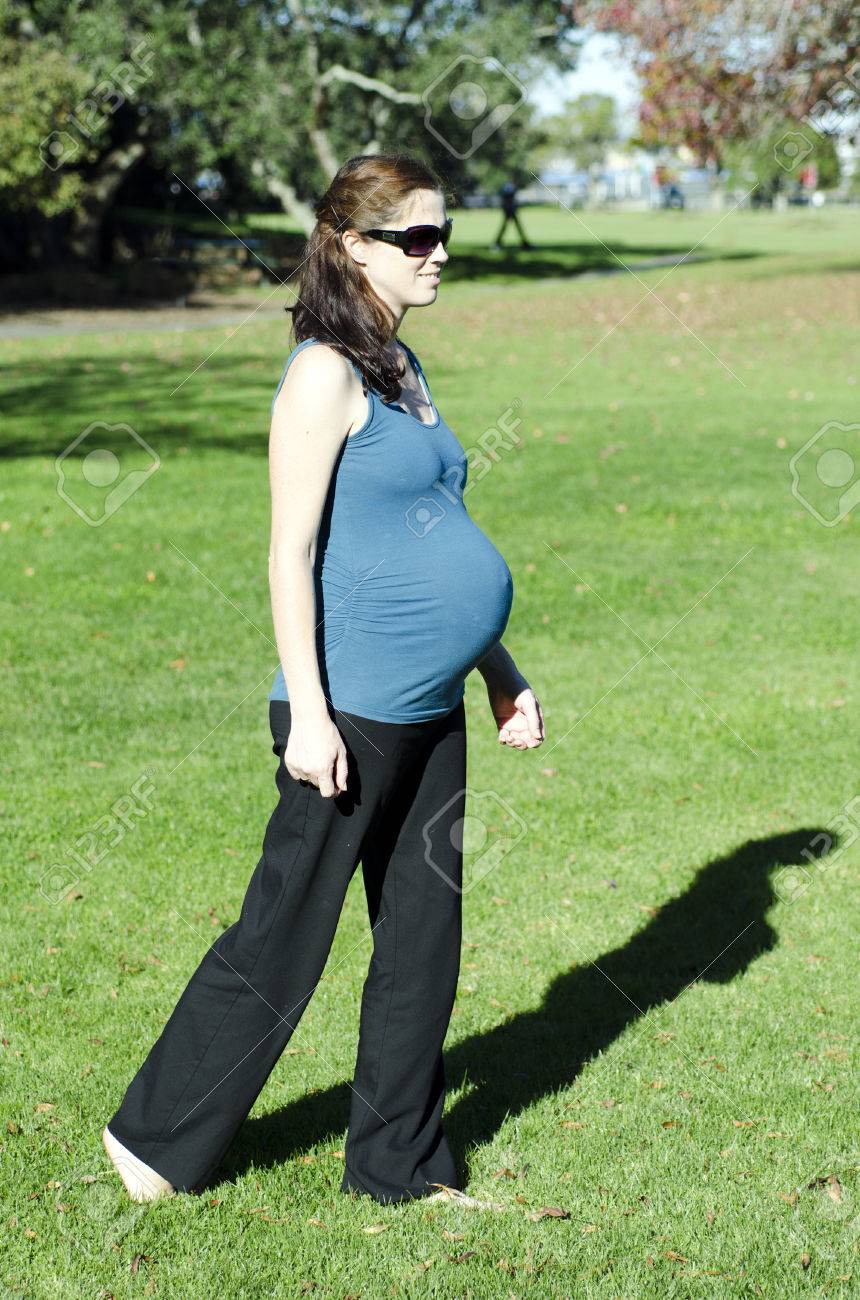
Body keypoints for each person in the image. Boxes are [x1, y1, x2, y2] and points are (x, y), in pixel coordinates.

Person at [102, 152, 545, 1208]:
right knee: (284, 932)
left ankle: (397, 1166)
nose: (438, 255)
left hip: (430, 708)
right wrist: (306, 713)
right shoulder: (321, 374)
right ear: (351, 245)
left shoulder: (401, 363)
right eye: (416, 239)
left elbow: (437, 525)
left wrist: (497, 666)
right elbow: (286, 553)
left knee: (421, 942)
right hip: (344, 707)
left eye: (444, 235)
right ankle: (152, 1139)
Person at [491, 178, 533, 250]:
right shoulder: (509, 187)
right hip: (509, 211)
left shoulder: (510, 187)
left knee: (512, 228)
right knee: (507, 228)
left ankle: (524, 244)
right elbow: (507, 199)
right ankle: (497, 244)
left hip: (511, 210)